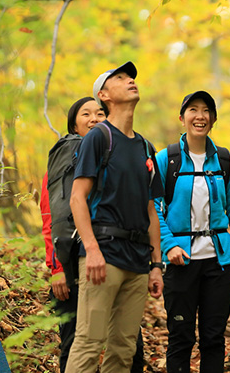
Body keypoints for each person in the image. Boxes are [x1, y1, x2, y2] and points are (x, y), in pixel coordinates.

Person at [65, 62, 164, 373]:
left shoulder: (146, 146)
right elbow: (77, 197)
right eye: (120, 78)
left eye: (131, 76)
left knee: (123, 350)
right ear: (104, 95)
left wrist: (156, 265)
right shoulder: (99, 137)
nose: (130, 80)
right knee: (88, 342)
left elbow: (150, 210)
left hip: (137, 262)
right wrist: (92, 249)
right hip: (103, 255)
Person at [154, 91, 230, 373]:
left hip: (219, 262)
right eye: (193, 110)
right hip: (180, 260)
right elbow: (153, 209)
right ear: (182, 118)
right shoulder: (166, 159)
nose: (200, 116)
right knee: (181, 337)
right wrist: (168, 245)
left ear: (213, 119)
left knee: (213, 337)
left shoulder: (224, 160)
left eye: (206, 110)